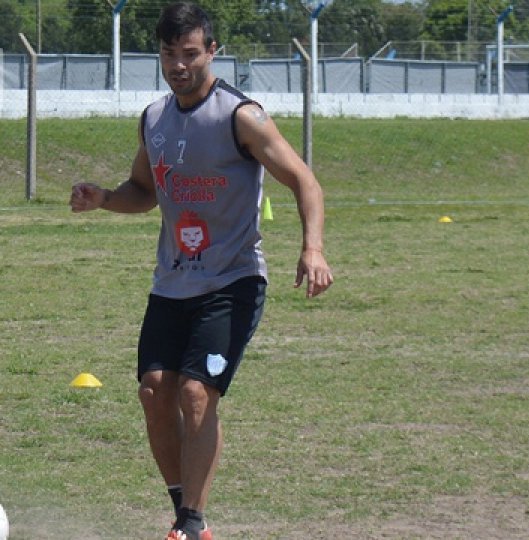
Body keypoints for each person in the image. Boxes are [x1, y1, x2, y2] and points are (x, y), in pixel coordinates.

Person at [69, 3, 333, 539]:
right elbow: (143, 192)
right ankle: (184, 505)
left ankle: (190, 524)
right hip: (172, 281)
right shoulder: (154, 118)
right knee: (153, 390)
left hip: (233, 280)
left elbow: (305, 181)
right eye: (169, 55)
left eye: (190, 54)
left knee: (195, 393)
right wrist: (103, 199)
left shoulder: (242, 116)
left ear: (212, 51)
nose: (179, 66)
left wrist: (313, 248)